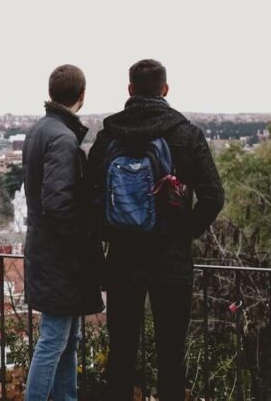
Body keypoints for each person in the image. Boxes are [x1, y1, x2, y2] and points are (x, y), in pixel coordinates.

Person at [86, 59, 224, 400]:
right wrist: (185, 231)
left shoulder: (108, 136)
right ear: (165, 90)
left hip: (121, 257)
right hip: (171, 258)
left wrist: (107, 234)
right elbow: (213, 197)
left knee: (121, 352)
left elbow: (88, 196)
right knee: (171, 353)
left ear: (130, 90)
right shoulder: (185, 134)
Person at [23, 64, 104, 401]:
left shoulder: (40, 130)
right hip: (60, 257)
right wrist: (82, 237)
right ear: (81, 96)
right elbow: (58, 204)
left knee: (67, 340)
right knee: (56, 339)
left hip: (47, 251)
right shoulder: (61, 138)